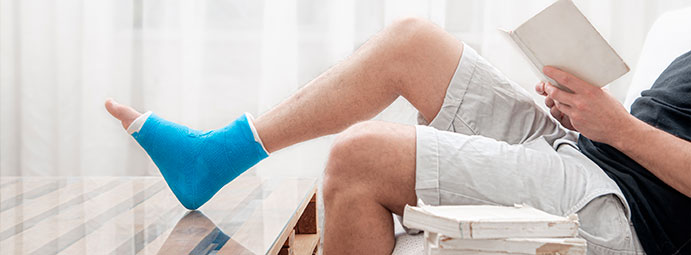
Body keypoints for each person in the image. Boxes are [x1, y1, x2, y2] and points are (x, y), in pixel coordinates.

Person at [105, 18, 690, 254]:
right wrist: (584, 114)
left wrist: (616, 127)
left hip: (622, 212)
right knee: (411, 44)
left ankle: (209, 160)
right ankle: (216, 155)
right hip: (595, 154)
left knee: (359, 158)